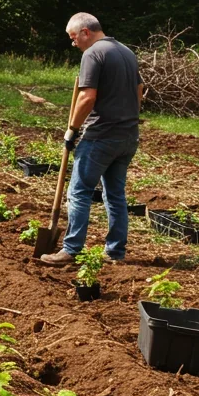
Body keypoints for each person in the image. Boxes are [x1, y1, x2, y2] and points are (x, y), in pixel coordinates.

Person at [41, 13, 145, 266]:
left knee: (78, 192)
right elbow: (139, 90)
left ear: (85, 32)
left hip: (100, 136)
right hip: (128, 135)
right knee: (115, 194)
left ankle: (71, 249)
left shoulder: (93, 54)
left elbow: (87, 98)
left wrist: (72, 129)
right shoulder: (126, 52)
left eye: (73, 37)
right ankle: (115, 252)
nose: (73, 43)